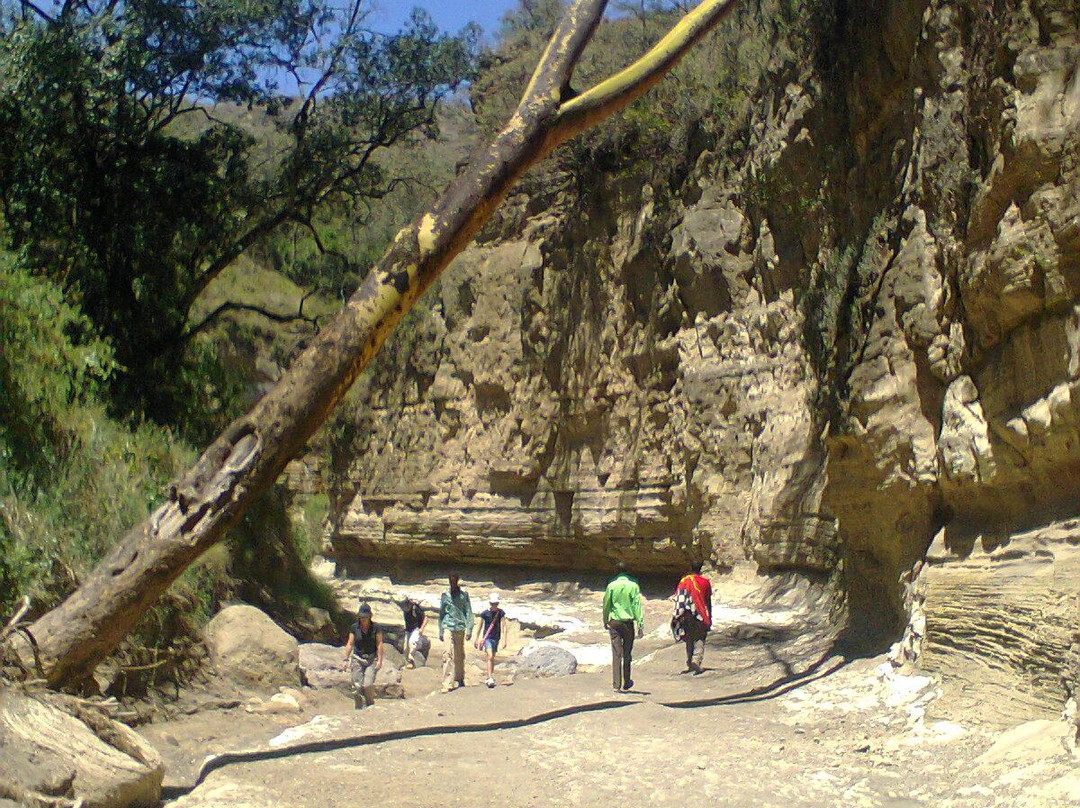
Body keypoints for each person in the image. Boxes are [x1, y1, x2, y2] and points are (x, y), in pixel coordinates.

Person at [603, 561, 643, 693]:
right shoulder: (633, 585)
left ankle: (616, 685)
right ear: (627, 571)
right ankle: (627, 681)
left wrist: (605, 620)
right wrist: (640, 623)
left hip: (614, 622)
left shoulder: (611, 585)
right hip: (628, 623)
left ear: (616, 570)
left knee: (616, 654)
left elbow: (606, 604)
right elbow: (637, 605)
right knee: (627, 653)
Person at [671, 561, 712, 674]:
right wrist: (710, 616)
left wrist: (676, 616)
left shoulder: (684, 581)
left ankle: (690, 662)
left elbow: (679, 599)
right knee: (700, 638)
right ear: (701, 569)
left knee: (689, 638)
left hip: (686, 615)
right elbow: (708, 600)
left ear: (690, 567)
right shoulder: (705, 582)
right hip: (700, 614)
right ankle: (696, 660)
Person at [341, 602, 383, 709]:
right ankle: (358, 707)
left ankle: (369, 705)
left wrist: (380, 660)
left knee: (368, 685)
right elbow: (350, 643)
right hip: (357, 658)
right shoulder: (354, 628)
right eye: (361, 617)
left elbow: (379, 643)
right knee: (356, 685)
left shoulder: (376, 628)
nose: (362, 619)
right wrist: (345, 659)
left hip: (371, 659)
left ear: (369, 617)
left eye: (365, 617)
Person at [439, 573, 473, 692]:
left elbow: (468, 612)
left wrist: (469, 628)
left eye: (454, 581)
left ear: (457, 581)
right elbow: (442, 613)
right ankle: (446, 683)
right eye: (450, 581)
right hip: (448, 626)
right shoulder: (445, 595)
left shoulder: (464, 595)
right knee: (447, 654)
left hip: (460, 627)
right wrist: (441, 630)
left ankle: (459, 678)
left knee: (459, 655)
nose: (452, 583)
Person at [474, 591, 508, 688]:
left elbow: (504, 626)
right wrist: (477, 638)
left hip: (496, 637)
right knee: (489, 656)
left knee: (492, 657)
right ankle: (489, 677)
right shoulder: (485, 613)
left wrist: (505, 640)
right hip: (487, 638)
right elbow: (479, 626)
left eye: (496, 604)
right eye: (493, 604)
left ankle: (490, 676)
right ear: (490, 603)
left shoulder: (501, 613)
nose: (494, 605)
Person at [399, 594, 428, 669]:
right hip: (408, 629)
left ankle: (411, 660)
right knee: (405, 647)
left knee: (412, 642)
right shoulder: (405, 610)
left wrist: (422, 628)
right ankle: (407, 663)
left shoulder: (416, 608)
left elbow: (425, 618)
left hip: (416, 628)